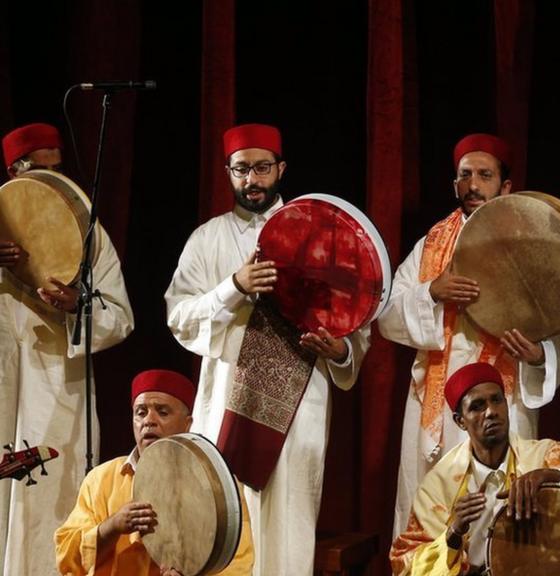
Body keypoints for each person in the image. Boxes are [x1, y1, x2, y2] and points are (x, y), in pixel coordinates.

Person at [164, 123, 370, 574]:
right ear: (228, 172)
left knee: (291, 524)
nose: (252, 180)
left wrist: (340, 352)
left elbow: (357, 315)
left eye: (261, 168)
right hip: (225, 403)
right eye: (241, 170)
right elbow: (178, 316)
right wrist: (232, 287)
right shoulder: (207, 239)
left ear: (281, 168)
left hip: (299, 404)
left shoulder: (320, 231)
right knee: (229, 522)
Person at [378, 133, 560, 535]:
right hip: (439, 405)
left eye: (484, 175)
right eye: (465, 175)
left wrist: (540, 355)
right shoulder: (431, 246)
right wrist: (432, 291)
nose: (473, 185)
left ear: (505, 186)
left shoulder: (534, 241)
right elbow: (387, 317)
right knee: (434, 512)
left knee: (500, 516)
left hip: (504, 400)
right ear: (455, 184)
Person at [1, 122, 134, 575]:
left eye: (60, 170)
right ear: (16, 174)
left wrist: (79, 306)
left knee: (48, 509)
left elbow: (121, 318)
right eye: (43, 173)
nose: (56, 184)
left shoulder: (86, 232)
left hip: (57, 396)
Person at [389, 362, 560, 575]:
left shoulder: (542, 456)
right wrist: (454, 534)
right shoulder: (439, 486)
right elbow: (404, 563)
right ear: (460, 421)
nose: (490, 412)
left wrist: (554, 475)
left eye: (496, 400)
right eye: (477, 406)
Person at [54, 369, 253, 575]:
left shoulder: (217, 484)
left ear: (187, 424)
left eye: (162, 411)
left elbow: (238, 564)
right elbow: (66, 557)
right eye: (141, 412)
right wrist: (111, 527)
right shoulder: (101, 479)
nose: (149, 420)